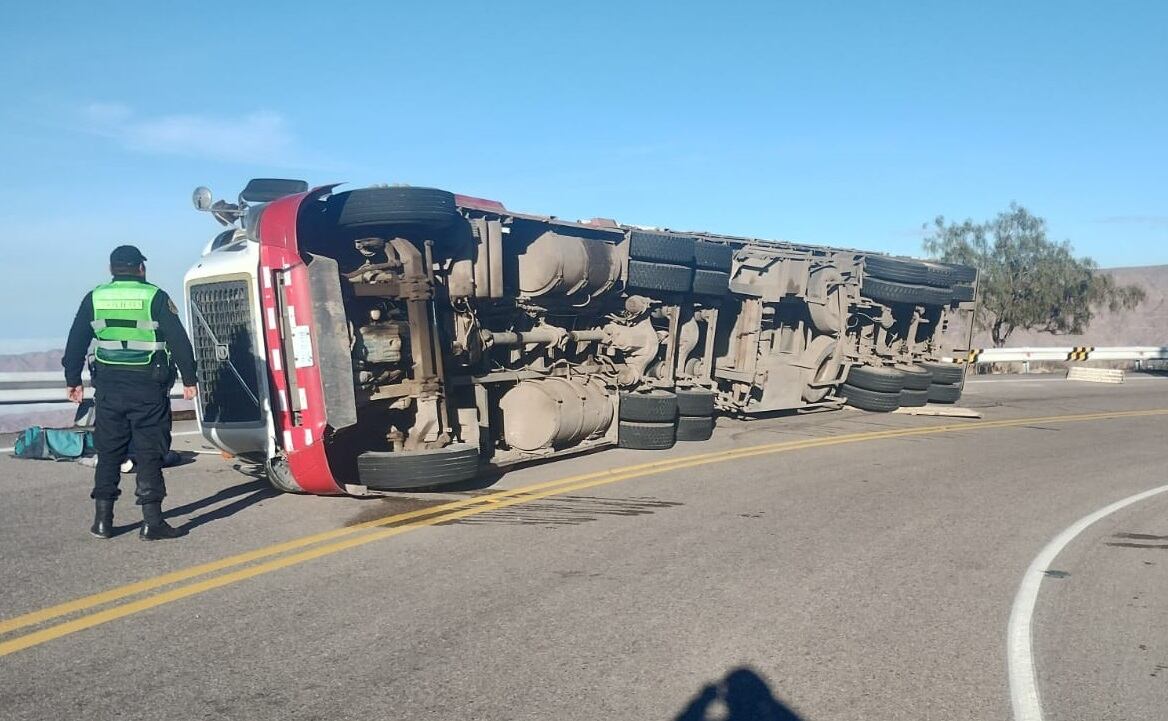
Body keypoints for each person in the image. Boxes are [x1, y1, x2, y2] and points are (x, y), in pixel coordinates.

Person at [62, 245, 198, 540]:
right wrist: (190, 378)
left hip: (109, 387)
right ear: (140, 268)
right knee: (150, 451)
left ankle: (103, 521)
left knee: (109, 451)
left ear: (111, 269)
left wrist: (73, 379)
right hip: (148, 386)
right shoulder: (155, 296)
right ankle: (152, 522)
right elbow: (179, 340)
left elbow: (76, 341)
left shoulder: (94, 297)